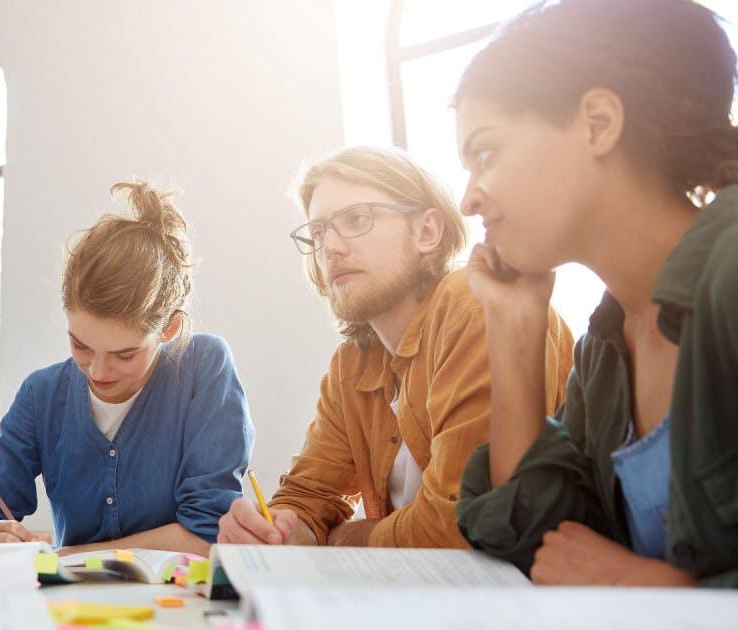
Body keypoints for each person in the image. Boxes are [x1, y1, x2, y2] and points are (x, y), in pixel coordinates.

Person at [454, 0, 738, 588]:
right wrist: (513, 328)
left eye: (485, 153)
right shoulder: (607, 350)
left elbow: (593, 572)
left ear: (598, 123)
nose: (469, 199)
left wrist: (653, 588)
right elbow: (540, 542)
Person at [217, 146, 574, 548]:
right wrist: (277, 528)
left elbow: (461, 526)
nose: (330, 248)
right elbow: (308, 496)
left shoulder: (473, 307)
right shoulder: (352, 365)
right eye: (318, 233)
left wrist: (342, 538)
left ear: (426, 232)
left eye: (356, 219)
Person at [0, 182, 253, 556]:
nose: (97, 370)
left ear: (169, 329)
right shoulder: (41, 395)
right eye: (80, 345)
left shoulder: (203, 366)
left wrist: (67, 557)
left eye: (124, 355)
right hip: (75, 609)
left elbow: (208, 534)